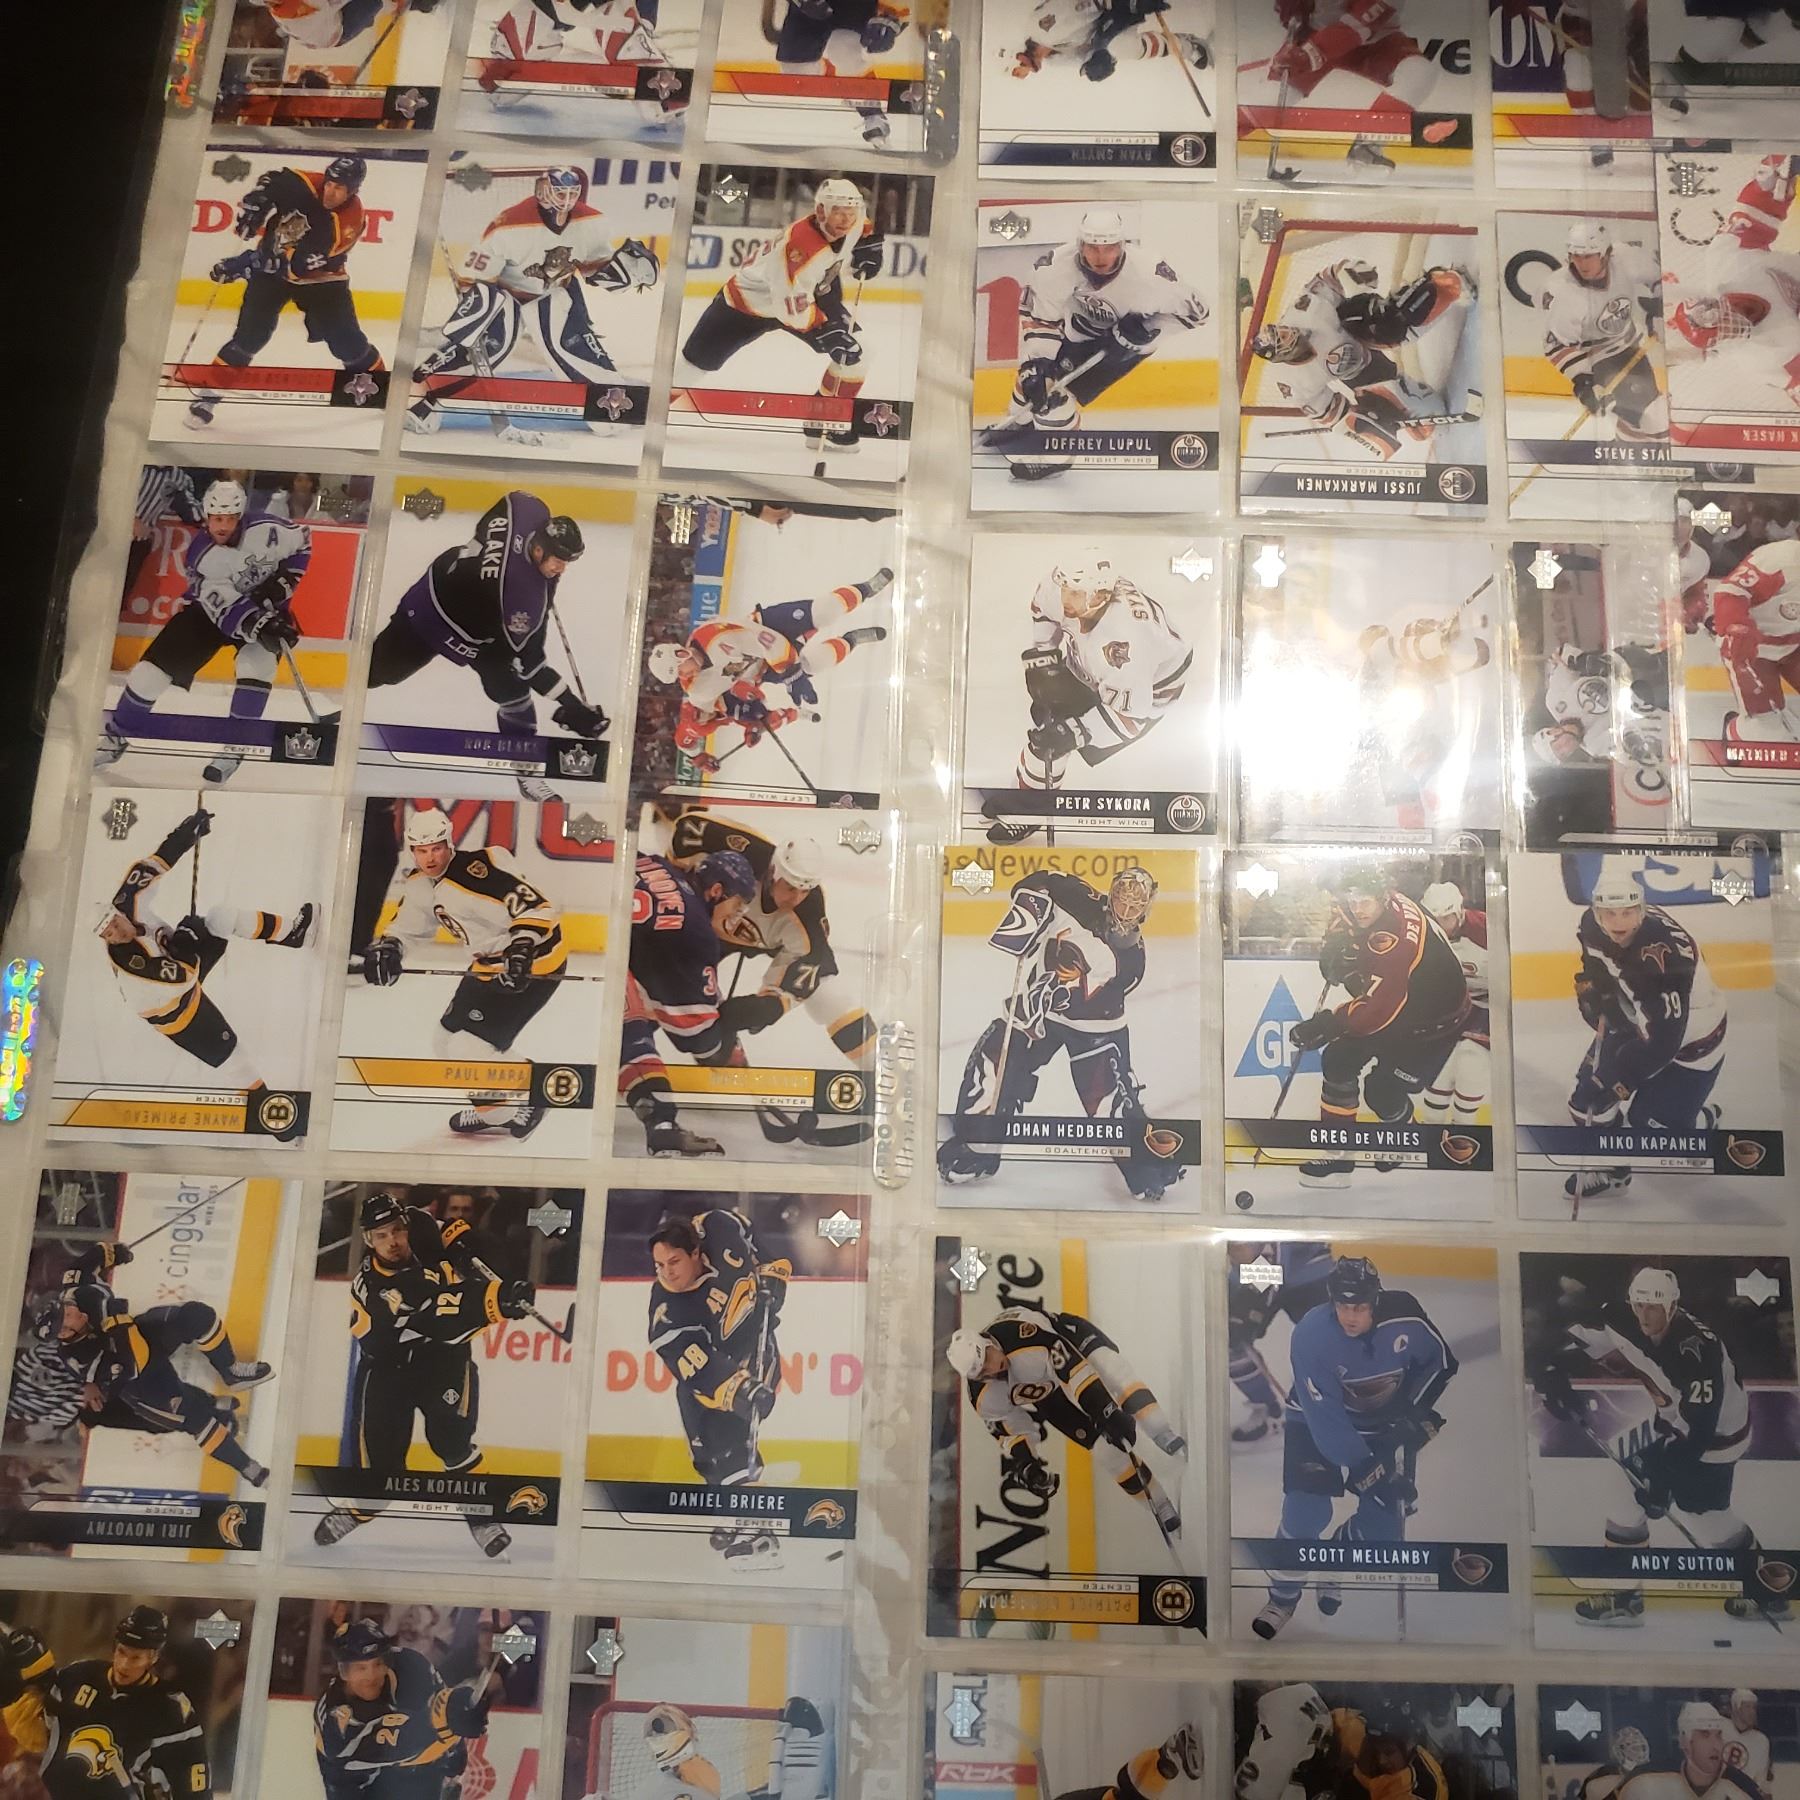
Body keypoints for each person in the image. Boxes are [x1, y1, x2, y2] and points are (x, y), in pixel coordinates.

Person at [1532, 1268, 1787, 1628]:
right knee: (1625, 1490)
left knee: (1707, 1519)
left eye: (1653, 1307)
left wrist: (1663, 1480)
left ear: (1673, 1306)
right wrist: (1551, 1370)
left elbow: (1700, 1430)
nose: (1644, 1315)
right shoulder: (1622, 1318)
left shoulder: (1696, 1350)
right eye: (1639, 1305)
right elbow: (1575, 1338)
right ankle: (1626, 1597)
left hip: (1716, 1438)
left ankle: (1768, 1591)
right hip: (1676, 1425)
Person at [312, 1193, 536, 1559]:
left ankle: (482, 1519)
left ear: (406, 1223)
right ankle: (360, 1509)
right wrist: (497, 1300)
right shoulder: (379, 1289)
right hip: (388, 1369)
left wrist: (484, 1261)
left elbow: (469, 1240)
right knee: (383, 1469)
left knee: (451, 1441)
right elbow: (441, 1316)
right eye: (381, 1235)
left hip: (443, 1361)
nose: (393, 1241)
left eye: (396, 1230)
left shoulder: (420, 1222)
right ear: (368, 1240)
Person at [938, 864, 1178, 1200]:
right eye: (1122, 897)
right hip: (1040, 1010)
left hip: (1094, 1028)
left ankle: (1147, 1167)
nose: (1126, 908)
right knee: (996, 1060)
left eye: (1135, 903)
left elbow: (1085, 998)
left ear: (1146, 908)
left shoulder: (1131, 961)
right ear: (1110, 892)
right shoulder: (1075, 897)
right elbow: (1038, 881)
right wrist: (1030, 910)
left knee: (1107, 1101)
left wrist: (1046, 995)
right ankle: (977, 1148)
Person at [1252, 1256, 1456, 1640]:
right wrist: (1366, 1469)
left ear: (1375, 1300)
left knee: (1386, 1529)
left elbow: (1441, 1364)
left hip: (1383, 1427)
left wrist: (1414, 1415)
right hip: (1313, 1422)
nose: (1350, 1316)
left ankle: (1334, 1561)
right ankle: (1282, 1598)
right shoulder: (1312, 1333)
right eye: (1342, 1306)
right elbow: (1324, 1417)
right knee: (1305, 1512)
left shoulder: (1406, 1317)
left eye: (1359, 1307)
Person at [360, 491, 605, 801]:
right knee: (380, 673)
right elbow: (530, 664)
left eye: (567, 562)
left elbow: (508, 501)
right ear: (538, 549)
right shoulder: (522, 597)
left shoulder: (526, 510)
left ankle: (527, 773)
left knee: (513, 693)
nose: (562, 569)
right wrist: (570, 704)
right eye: (559, 561)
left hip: (466, 598)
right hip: (433, 614)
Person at [407, 165, 659, 445]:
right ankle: (423, 397)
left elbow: (591, 267)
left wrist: (617, 274)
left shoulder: (592, 221)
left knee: (573, 347)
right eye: (560, 192)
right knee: (490, 346)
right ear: (544, 189)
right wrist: (477, 308)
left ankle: (612, 405)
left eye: (572, 193)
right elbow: (475, 279)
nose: (566, 199)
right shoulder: (508, 225)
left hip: (555, 292)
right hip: (508, 294)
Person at [360, 807, 569, 1141]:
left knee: (468, 1048)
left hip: (535, 962)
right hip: (486, 965)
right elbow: (410, 927)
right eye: (422, 850)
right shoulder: (420, 884)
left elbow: (538, 908)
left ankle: (524, 1096)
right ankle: (506, 1102)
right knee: (444, 1041)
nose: (430, 858)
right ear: (412, 850)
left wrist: (521, 948)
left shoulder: (479, 871)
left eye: (436, 848)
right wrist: (391, 947)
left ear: (449, 843)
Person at [94, 806, 313, 1121]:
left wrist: (186, 835)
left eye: (113, 925)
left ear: (116, 912)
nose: (115, 934)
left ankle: (292, 934)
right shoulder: (131, 963)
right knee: (231, 1056)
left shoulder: (127, 901)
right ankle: (270, 1115)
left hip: (180, 964)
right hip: (173, 1009)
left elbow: (153, 864)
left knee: (222, 917)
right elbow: (184, 977)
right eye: (107, 935)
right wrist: (184, 943)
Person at [98, 479, 312, 784]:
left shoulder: (269, 530)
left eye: (229, 519)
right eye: (216, 519)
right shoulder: (202, 556)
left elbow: (303, 542)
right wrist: (261, 624)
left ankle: (235, 746)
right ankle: (116, 737)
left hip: (265, 611)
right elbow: (224, 607)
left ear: (240, 516)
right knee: (148, 675)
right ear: (207, 517)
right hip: (210, 614)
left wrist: (285, 582)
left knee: (257, 665)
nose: (221, 526)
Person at [982, 210, 1209, 482]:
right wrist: (1040, 362)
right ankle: (1018, 424)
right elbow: (1041, 317)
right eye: (1093, 247)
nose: (1101, 256)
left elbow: (1199, 314)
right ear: (1080, 245)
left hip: (1123, 348)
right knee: (1033, 380)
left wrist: (1146, 329)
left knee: (1056, 397)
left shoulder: (1152, 276)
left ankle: (1058, 459)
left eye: (1109, 247)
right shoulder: (1054, 267)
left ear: (1122, 245)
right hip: (1078, 333)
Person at [34, 1240, 272, 1490]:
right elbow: (134, 1363)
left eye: (66, 1310)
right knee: (193, 1416)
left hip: (140, 1332)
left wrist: (114, 1253)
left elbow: (89, 1259)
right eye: (66, 1322)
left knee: (196, 1316)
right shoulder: (79, 1357)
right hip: (140, 1380)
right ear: (63, 1335)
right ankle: (248, 1467)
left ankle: (231, 1372)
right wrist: (117, 1322)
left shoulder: (76, 1289)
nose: (73, 1314)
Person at [947, 1299, 1187, 1541]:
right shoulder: (983, 1397)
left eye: (988, 1357)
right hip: (1047, 1391)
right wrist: (1027, 1463)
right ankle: (1159, 1503)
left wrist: (1105, 1411)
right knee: (1104, 1451)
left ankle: (1160, 1429)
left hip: (1068, 1339)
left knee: (1112, 1370)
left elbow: (1075, 1371)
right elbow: (1010, 1430)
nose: (994, 1369)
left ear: (988, 1341)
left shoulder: (1022, 1337)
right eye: (983, 1372)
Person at [679, 179, 885, 455]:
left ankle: (822, 421)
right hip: (746, 305)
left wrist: (869, 245)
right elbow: (789, 309)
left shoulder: (853, 220)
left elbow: (864, 226)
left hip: (807, 294)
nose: (846, 219)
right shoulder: (801, 248)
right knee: (691, 368)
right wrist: (826, 329)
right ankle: (640, 407)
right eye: (838, 212)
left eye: (851, 211)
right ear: (820, 211)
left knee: (860, 350)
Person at [186, 154, 383, 428]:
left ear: (353, 190)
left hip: (321, 282)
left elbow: (296, 265)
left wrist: (243, 264)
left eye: (339, 188)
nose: (330, 191)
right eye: (329, 183)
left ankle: (378, 391)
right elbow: (272, 180)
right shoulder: (309, 184)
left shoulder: (346, 223)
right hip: (272, 270)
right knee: (249, 338)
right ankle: (208, 397)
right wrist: (258, 202)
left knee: (346, 343)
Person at [647, 1211, 790, 1566]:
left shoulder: (719, 1226)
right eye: (659, 1265)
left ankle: (760, 1534)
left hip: (756, 1353)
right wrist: (741, 1389)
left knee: (730, 1447)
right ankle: (732, 1510)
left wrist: (772, 1272)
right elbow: (695, 1364)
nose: (667, 1272)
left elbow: (749, 1231)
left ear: (696, 1252)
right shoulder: (667, 1310)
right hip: (711, 1381)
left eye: (674, 1262)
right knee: (707, 1457)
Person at [0, 1607, 214, 1799]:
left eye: (136, 1658)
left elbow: (192, 1770)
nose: (124, 1664)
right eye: (121, 1652)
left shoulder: (168, 1706)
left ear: (153, 1658)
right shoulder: (79, 1676)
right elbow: (35, 1736)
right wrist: (25, 1681)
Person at [313, 1617, 492, 1798]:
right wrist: (445, 1723)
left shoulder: (412, 1666)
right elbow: (398, 1747)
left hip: (413, 1764)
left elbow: (440, 1703)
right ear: (344, 1672)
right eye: (361, 1668)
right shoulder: (333, 1722)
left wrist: (455, 1747)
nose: (371, 1676)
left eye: (377, 1664)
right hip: (352, 1784)